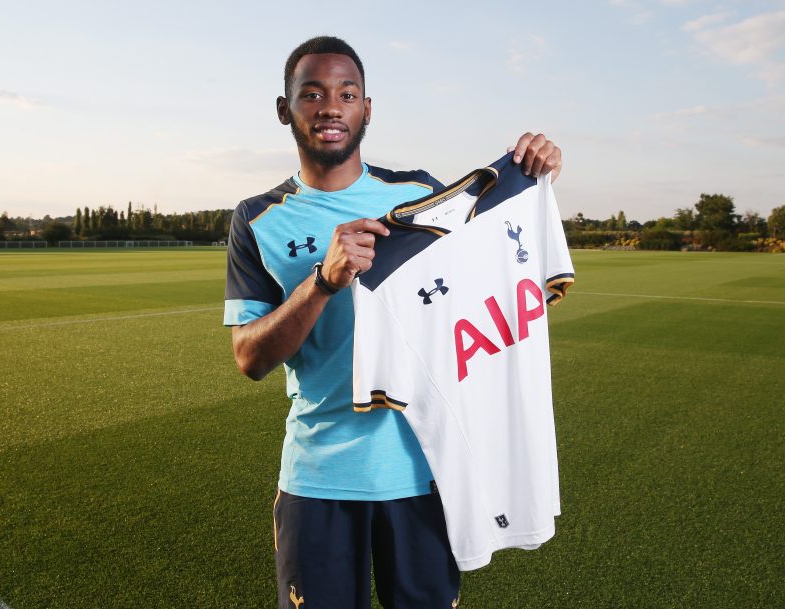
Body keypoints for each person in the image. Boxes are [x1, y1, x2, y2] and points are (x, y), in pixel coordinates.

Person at [223, 35, 562, 609]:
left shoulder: (418, 195)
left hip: (427, 473)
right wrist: (322, 282)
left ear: (367, 108)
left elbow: (497, 261)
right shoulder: (257, 218)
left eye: (347, 94)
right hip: (318, 479)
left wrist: (536, 178)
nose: (331, 107)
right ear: (285, 109)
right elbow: (249, 358)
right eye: (312, 94)